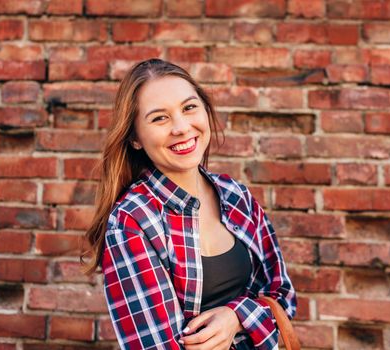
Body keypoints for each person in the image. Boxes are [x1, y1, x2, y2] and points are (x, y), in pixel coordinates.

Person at [82, 58, 297, 350]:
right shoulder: (133, 221)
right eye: (160, 118)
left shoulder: (236, 196)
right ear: (134, 138)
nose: (182, 127)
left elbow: (282, 297)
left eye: (189, 108)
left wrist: (236, 316)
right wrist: (252, 324)